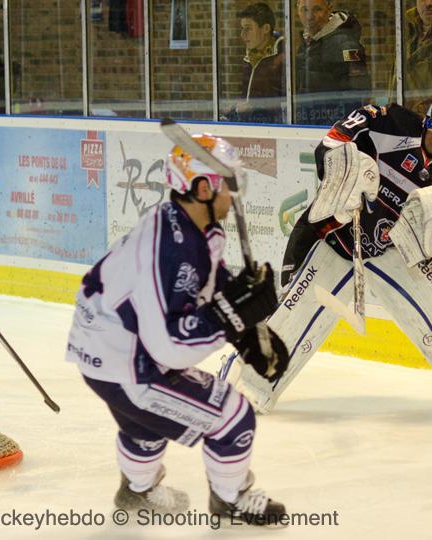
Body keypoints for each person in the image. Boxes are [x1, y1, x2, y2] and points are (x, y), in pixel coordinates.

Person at [231, 94, 432, 414]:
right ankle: (248, 382)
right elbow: (329, 147)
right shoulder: (388, 122)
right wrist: (346, 176)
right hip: (333, 237)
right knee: (292, 314)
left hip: (390, 252)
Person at [64, 135, 291, 525]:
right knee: (233, 416)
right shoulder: (170, 249)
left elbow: (208, 283)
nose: (235, 192)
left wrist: (246, 334)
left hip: (106, 348)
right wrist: (230, 318)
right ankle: (230, 500)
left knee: (144, 425)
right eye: (229, 183)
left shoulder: (190, 225)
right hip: (125, 361)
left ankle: (137, 492)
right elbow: (168, 347)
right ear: (202, 189)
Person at [294, 0, 370, 124]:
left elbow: (359, 93)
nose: (309, 16)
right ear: (297, 9)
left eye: (317, 9)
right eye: (304, 9)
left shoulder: (347, 45)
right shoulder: (305, 44)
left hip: (335, 126)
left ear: (329, 8)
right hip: (308, 124)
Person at [231, 3, 285, 124]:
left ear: (265, 29)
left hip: (274, 128)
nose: (242, 35)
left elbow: (285, 102)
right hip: (250, 125)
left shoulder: (283, 59)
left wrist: (253, 108)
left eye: (248, 28)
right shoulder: (248, 59)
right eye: (242, 28)